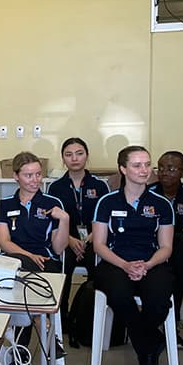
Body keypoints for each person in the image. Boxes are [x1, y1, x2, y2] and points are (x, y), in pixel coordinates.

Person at [92, 146, 174, 365]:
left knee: (159, 299)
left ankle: (144, 341)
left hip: (152, 262)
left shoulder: (161, 204)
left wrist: (146, 265)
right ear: (123, 169)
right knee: (118, 294)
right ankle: (150, 343)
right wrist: (125, 265)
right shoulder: (107, 202)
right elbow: (99, 245)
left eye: (147, 164)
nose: (144, 170)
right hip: (115, 262)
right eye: (137, 165)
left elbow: (166, 247)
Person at [0, 152, 69, 351]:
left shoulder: (52, 204)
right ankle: (40, 323)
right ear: (16, 176)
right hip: (13, 262)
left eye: (38, 174)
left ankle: (20, 350)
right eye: (28, 175)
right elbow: (4, 243)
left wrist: (65, 220)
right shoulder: (4, 205)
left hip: (46, 262)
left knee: (23, 283)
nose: (35, 180)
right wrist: (29, 256)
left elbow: (59, 248)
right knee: (21, 272)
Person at [47, 138, 109, 329]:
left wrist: (91, 237)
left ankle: (90, 316)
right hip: (66, 241)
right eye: (69, 154)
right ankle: (61, 317)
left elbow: (105, 217)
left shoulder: (100, 185)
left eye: (79, 153)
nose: (74, 158)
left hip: (95, 239)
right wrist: (71, 240)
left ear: (87, 156)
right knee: (63, 264)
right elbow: (54, 222)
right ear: (63, 159)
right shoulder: (55, 187)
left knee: (97, 264)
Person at [148, 151, 183, 349]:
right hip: (155, 247)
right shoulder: (150, 192)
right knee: (176, 243)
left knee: (178, 251)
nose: (164, 173)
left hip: (182, 251)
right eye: (160, 168)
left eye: (171, 168)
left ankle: (172, 326)